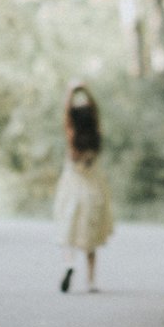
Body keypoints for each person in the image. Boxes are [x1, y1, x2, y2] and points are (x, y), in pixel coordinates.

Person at [53, 83, 115, 292]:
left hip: (73, 192)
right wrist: (86, 91)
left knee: (68, 232)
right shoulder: (95, 137)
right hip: (93, 192)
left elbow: (66, 112)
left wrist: (71, 90)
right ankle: (90, 282)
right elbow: (95, 111)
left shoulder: (72, 137)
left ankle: (69, 263)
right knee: (91, 237)